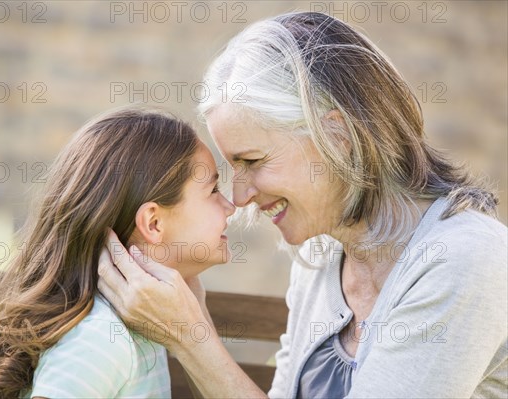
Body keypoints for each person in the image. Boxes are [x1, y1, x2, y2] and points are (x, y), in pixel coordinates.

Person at [98, 12, 508, 398]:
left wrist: (190, 339)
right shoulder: (322, 252)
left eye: (252, 161)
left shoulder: (465, 258)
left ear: (336, 136)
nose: (240, 199)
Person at [0, 108, 235, 398]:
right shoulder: (102, 337)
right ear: (153, 223)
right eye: (214, 189)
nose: (231, 205)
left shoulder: (135, 325)